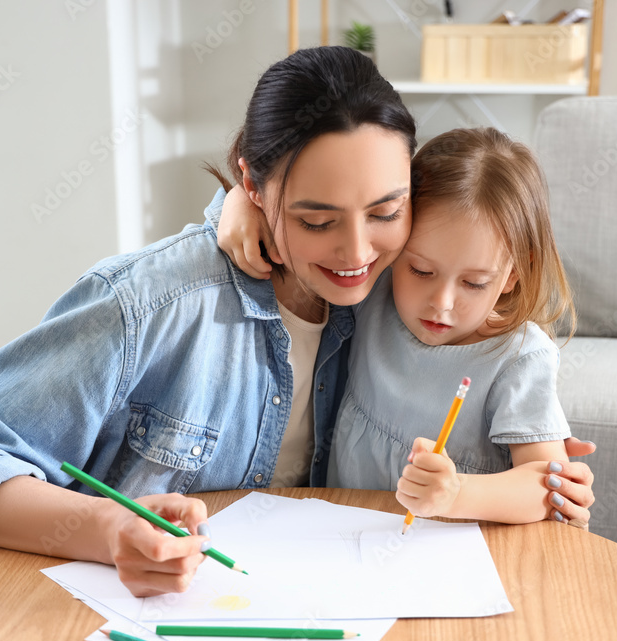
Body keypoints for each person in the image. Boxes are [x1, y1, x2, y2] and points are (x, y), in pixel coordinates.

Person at [0, 47, 592, 599]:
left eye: (385, 212)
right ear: (252, 186)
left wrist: (539, 481)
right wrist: (107, 529)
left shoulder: (389, 293)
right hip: (124, 613)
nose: (355, 254)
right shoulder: (152, 304)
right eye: (317, 219)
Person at [219, 126, 594, 526]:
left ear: (515, 274)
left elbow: (550, 488)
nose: (441, 302)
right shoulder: (378, 291)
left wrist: (456, 494)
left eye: (474, 283)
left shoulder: (517, 359)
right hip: (346, 537)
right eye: (420, 269)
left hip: (449, 558)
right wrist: (242, 202)